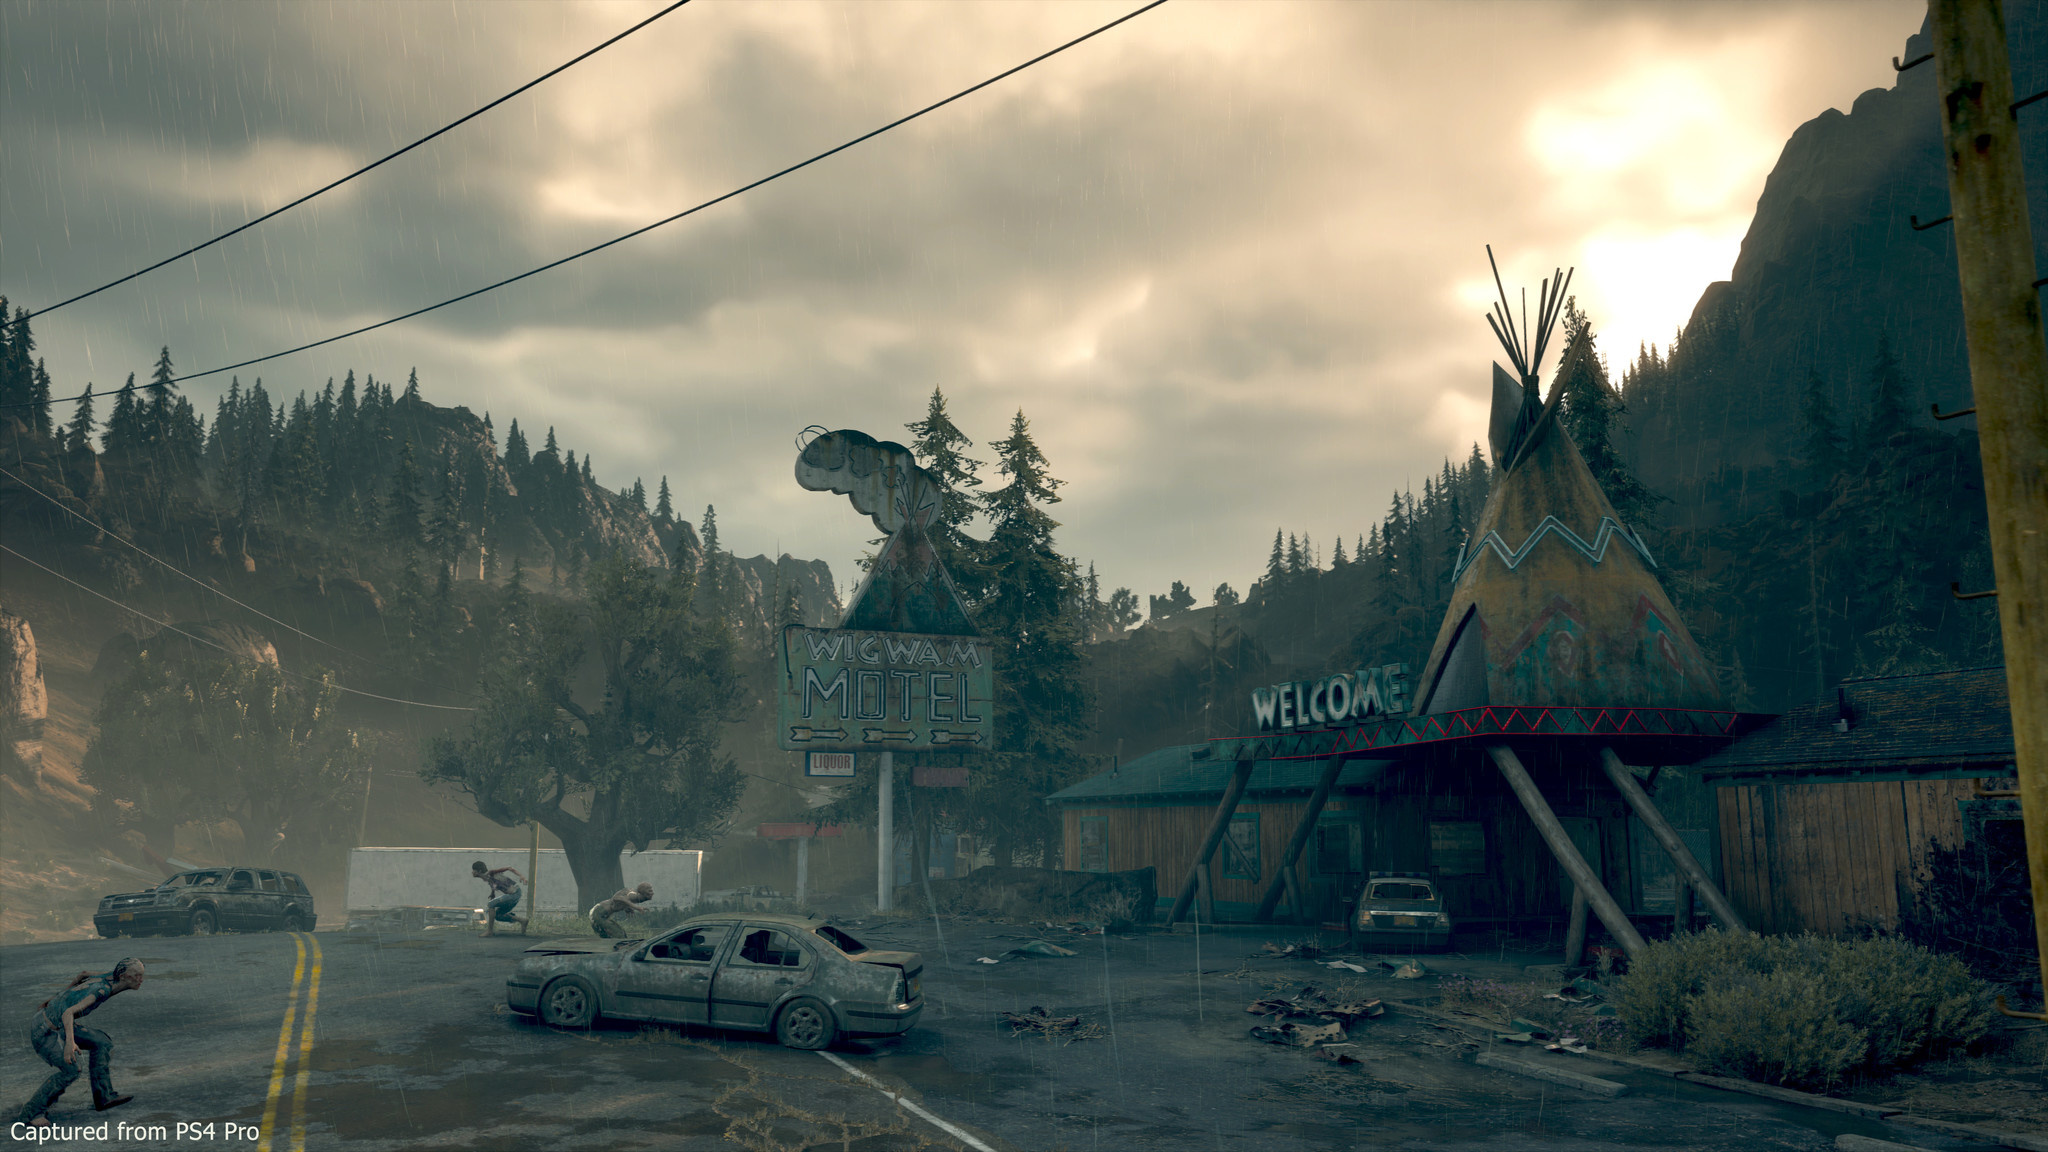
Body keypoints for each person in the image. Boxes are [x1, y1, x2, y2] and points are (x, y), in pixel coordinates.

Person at [12, 958, 145, 1127]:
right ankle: (31, 1113)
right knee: (71, 1070)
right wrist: (70, 1043)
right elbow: (68, 1013)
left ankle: (104, 1097)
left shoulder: (109, 976)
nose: (141, 979)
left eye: (141, 975)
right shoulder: (102, 990)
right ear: (124, 976)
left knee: (102, 1042)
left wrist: (56, 998)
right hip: (46, 1030)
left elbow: (83, 975)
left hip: (57, 1022)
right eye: (136, 975)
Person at [472, 861, 525, 935]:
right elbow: (493, 884)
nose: (472, 872)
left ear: (479, 871)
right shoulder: (487, 878)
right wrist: (492, 893)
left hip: (515, 894)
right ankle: (522, 920)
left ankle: (489, 931)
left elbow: (509, 868)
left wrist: (521, 876)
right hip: (513, 896)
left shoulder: (491, 873)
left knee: (491, 904)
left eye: (473, 870)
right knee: (498, 916)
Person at [588, 882, 654, 938]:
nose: (652, 893)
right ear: (642, 892)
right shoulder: (632, 895)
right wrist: (636, 907)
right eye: (649, 891)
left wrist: (627, 907)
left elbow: (619, 903)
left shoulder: (633, 896)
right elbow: (616, 898)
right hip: (598, 913)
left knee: (616, 935)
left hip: (601, 915)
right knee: (619, 934)